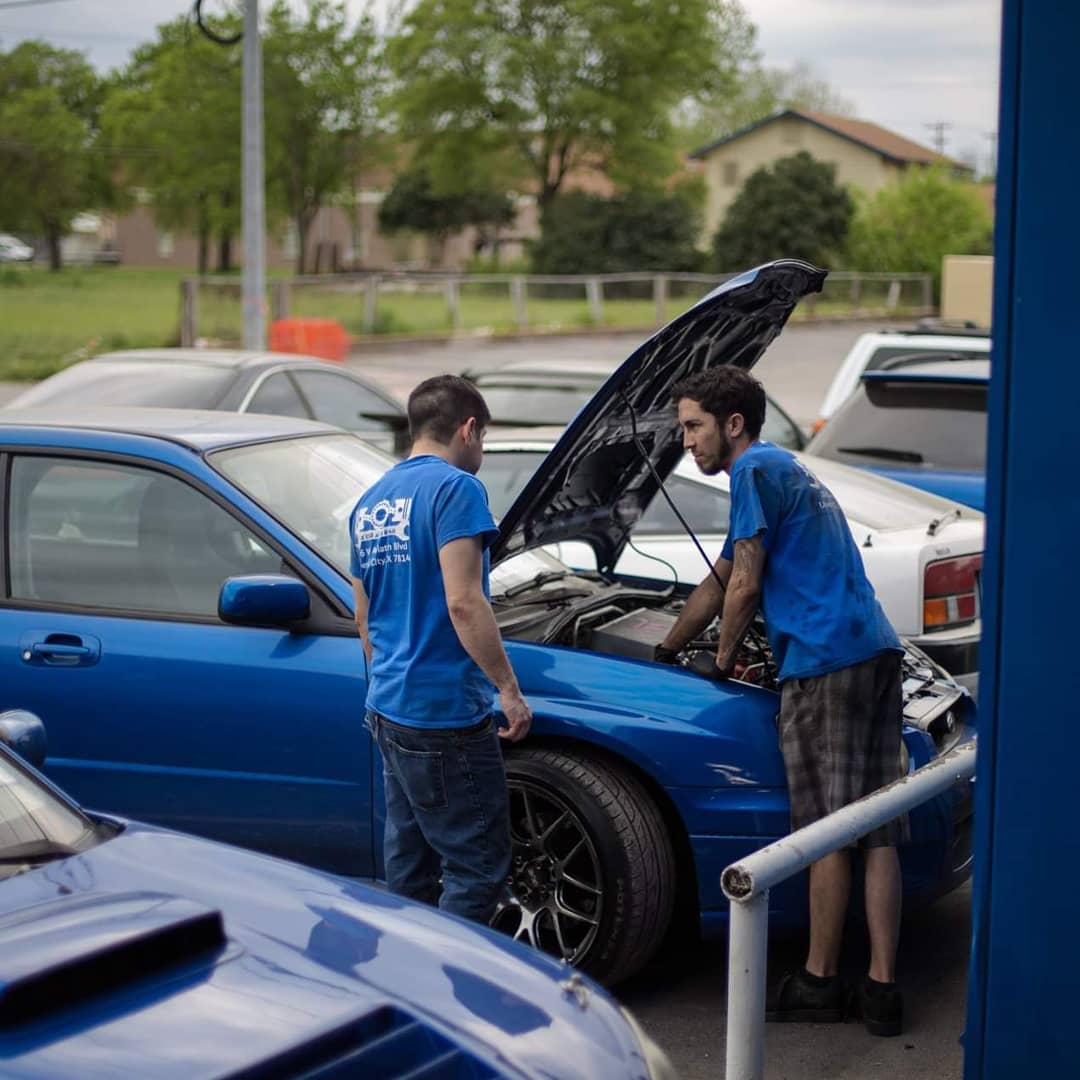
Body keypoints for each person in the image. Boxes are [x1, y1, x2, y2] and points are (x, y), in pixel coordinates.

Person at [654, 366, 907, 1037]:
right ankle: (882, 989)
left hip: (824, 663)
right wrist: (668, 644)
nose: (687, 442)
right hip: (875, 649)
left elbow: (744, 586)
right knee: (878, 828)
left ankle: (820, 981)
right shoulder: (785, 469)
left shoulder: (751, 472)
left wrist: (720, 658)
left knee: (826, 828)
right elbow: (721, 579)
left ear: (733, 424)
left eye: (694, 427)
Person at [349, 374, 532, 925]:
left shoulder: (369, 503)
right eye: (484, 438)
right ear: (468, 429)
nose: (482, 450)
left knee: (410, 864)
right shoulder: (457, 489)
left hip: (389, 708)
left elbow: (364, 620)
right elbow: (464, 602)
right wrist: (509, 690)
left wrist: (394, 684)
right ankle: (458, 976)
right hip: (443, 714)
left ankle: (410, 967)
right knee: (477, 868)